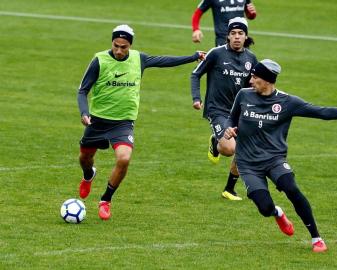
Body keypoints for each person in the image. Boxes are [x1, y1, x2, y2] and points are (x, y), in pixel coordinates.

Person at [223, 59, 337, 252]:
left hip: (274, 159)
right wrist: (228, 129)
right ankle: (278, 213)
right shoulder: (243, 95)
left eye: (255, 77)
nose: (250, 81)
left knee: (291, 188)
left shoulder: (287, 102)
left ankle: (317, 238)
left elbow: (322, 112)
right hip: (248, 164)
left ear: (267, 80)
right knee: (265, 209)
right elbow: (231, 117)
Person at [77, 24, 205, 220]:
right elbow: (82, 90)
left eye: (124, 47)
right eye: (116, 45)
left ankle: (106, 200)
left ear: (130, 45)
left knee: (124, 158)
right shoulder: (99, 60)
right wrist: (84, 113)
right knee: (84, 159)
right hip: (98, 120)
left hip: (123, 121)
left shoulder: (139, 59)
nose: (119, 51)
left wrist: (193, 56)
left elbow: (165, 60)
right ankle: (88, 175)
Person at [191, 17, 258, 201]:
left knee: (244, 148)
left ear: (246, 36)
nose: (237, 37)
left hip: (239, 112)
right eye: (233, 33)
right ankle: (216, 141)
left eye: (241, 33)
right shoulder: (216, 54)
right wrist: (196, 98)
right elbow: (196, 74)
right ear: (228, 36)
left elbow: (254, 87)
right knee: (229, 149)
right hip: (217, 110)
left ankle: (229, 189)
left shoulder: (251, 59)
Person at [191, 0, 257, 46]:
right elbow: (198, 13)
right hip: (223, 38)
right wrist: (196, 29)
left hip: (241, 37)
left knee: (245, 64)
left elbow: (250, 14)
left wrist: (252, 14)